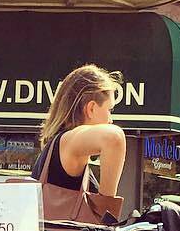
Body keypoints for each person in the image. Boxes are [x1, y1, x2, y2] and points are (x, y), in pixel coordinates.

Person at [30, 64, 127, 198]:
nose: (111, 120)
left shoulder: (60, 144)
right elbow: (114, 138)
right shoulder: (68, 143)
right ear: (91, 108)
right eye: (109, 110)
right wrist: (107, 209)